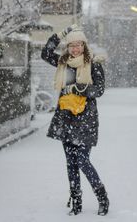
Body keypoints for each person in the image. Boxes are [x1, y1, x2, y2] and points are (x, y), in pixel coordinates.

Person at [41, 25, 109, 216]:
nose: (75, 48)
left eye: (78, 44)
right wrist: (61, 34)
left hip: (86, 118)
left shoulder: (93, 63)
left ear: (84, 46)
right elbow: (45, 52)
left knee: (82, 160)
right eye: (71, 45)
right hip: (65, 118)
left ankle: (102, 197)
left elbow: (100, 90)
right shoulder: (63, 62)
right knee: (70, 162)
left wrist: (79, 88)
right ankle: (76, 202)